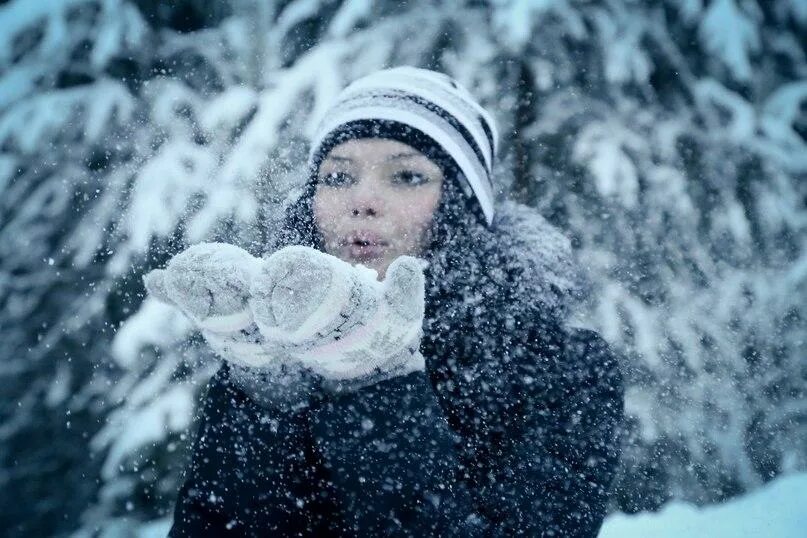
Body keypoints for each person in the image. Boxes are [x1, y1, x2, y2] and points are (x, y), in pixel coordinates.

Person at [154, 66, 624, 536]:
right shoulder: (277, 347)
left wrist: (376, 381)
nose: (363, 201)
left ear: (458, 206)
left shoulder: (564, 367)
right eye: (338, 177)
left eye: (406, 176)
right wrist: (267, 390)